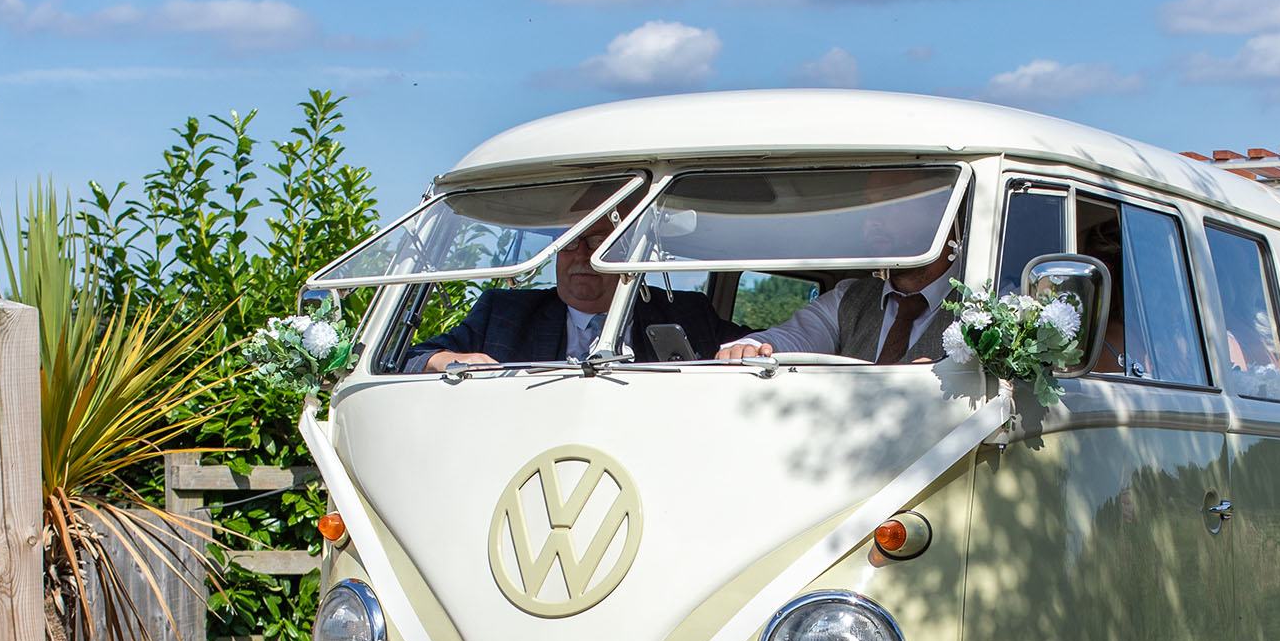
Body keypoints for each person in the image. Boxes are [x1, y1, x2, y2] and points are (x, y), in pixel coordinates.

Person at [402, 215, 749, 373]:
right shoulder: (504, 314)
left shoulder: (686, 313)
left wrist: (744, 352)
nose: (582, 256)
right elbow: (404, 359)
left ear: (630, 251)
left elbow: (761, 349)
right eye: (569, 243)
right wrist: (447, 361)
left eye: (599, 243)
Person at [714, 171, 962, 365]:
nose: (872, 220)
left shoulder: (977, 307)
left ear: (940, 211)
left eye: (891, 203)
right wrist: (752, 347)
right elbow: (795, 336)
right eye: (868, 206)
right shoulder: (849, 299)